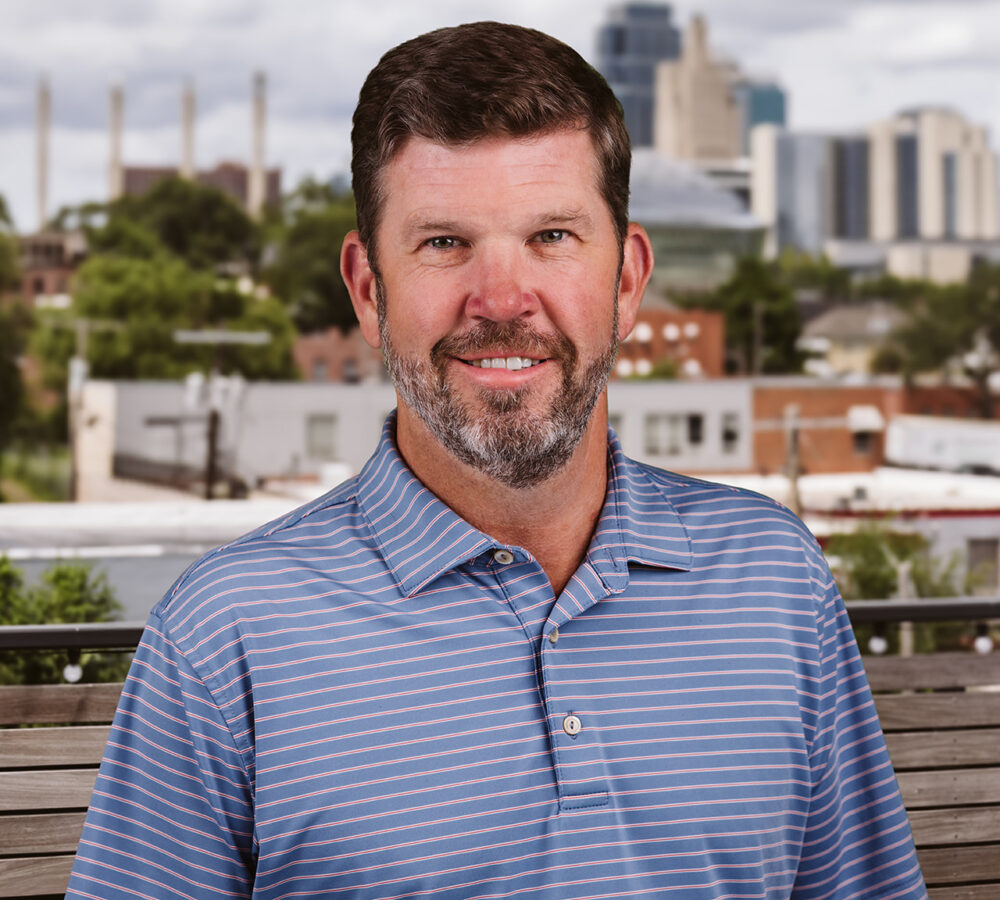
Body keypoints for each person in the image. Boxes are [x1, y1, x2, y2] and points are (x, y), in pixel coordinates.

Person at [67, 22, 927, 900]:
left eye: (553, 236)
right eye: (445, 243)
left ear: (627, 280)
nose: (505, 301)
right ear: (369, 291)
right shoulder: (228, 637)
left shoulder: (775, 581)